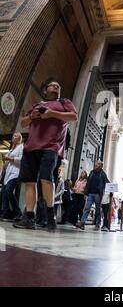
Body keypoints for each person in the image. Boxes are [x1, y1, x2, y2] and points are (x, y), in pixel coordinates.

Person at [13, 78, 77, 231]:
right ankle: (29, 217)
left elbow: (73, 116)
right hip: (30, 148)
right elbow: (23, 123)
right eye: (52, 85)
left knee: (46, 178)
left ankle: (50, 216)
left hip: (51, 147)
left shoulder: (64, 102)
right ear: (45, 90)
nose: (56, 87)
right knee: (30, 182)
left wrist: (52, 114)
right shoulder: (37, 105)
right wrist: (32, 116)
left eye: (58, 86)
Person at [76, 161, 110, 231]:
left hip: (98, 195)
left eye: (98, 164)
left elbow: (107, 183)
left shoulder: (103, 174)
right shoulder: (92, 172)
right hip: (90, 194)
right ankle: (82, 223)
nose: (96, 164)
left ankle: (97, 224)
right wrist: (86, 193)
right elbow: (88, 183)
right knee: (86, 208)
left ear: (101, 166)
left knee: (98, 210)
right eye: (96, 164)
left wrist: (110, 189)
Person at [0, 132, 23, 221]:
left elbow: (21, 159)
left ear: (19, 139)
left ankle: (18, 213)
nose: (13, 137)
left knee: (9, 191)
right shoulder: (11, 150)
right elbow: (7, 164)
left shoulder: (21, 147)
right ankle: (6, 213)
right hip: (8, 174)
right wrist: (5, 161)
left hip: (15, 173)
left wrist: (9, 159)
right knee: (5, 193)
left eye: (16, 136)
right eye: (13, 135)